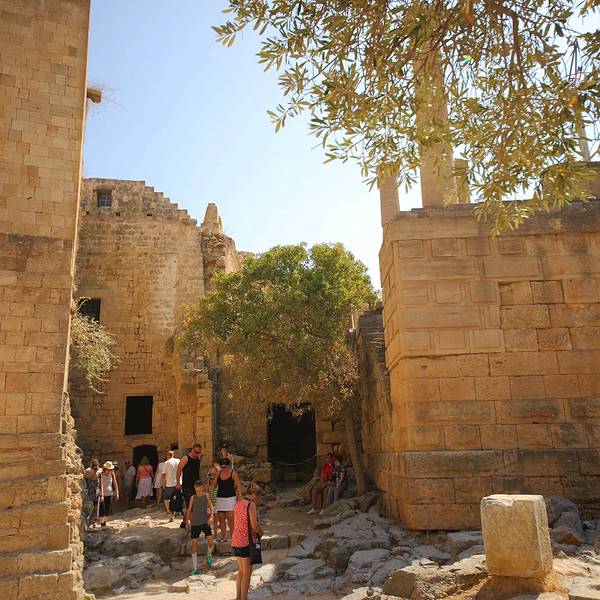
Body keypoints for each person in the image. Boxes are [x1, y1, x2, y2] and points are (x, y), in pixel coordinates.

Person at [231, 483, 263, 600]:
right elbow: (254, 525)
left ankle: (238, 597)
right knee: (247, 572)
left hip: (235, 540)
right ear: (253, 494)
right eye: (257, 496)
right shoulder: (251, 504)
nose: (258, 498)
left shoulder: (238, 502)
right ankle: (244, 598)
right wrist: (261, 532)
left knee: (241, 571)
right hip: (245, 542)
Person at [186, 480, 215, 575]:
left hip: (205, 521)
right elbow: (189, 510)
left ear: (202, 488)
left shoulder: (206, 496)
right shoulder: (192, 497)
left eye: (199, 490)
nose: (198, 492)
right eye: (196, 490)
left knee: (211, 542)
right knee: (194, 544)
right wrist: (187, 521)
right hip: (195, 523)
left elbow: (211, 507)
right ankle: (194, 568)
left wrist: (211, 517)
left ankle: (209, 555)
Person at [215, 457, 241, 543]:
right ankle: (224, 537)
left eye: (224, 467)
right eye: (221, 467)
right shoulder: (218, 472)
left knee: (230, 518)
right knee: (221, 517)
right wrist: (211, 495)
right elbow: (214, 484)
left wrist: (239, 496)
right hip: (220, 498)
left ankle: (234, 537)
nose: (223, 469)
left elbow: (238, 485)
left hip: (230, 498)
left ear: (228, 466)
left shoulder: (233, 473)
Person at [176, 443, 203, 524]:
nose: (197, 454)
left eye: (199, 452)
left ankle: (184, 522)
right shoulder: (185, 458)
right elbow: (179, 470)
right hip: (187, 486)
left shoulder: (197, 459)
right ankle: (193, 525)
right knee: (190, 506)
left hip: (196, 486)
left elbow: (198, 472)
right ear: (192, 449)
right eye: (196, 452)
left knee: (195, 505)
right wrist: (178, 482)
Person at [161, 450, 181, 521]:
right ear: (173, 455)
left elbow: (163, 474)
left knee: (166, 498)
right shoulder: (178, 461)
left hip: (170, 483)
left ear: (168, 456)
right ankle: (176, 512)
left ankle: (170, 512)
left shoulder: (166, 463)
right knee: (177, 498)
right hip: (178, 483)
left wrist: (162, 483)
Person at [99, 461, 119, 527]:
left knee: (107, 508)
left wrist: (117, 493)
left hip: (109, 493)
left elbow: (115, 483)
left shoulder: (112, 475)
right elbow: (100, 484)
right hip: (102, 494)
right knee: (102, 508)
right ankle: (101, 523)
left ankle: (104, 522)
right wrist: (101, 495)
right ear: (106, 469)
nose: (111, 470)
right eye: (110, 469)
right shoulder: (101, 474)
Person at [84, 459, 101, 528]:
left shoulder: (99, 472)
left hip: (96, 493)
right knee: (89, 508)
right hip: (89, 494)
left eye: (97, 469)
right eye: (94, 469)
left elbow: (100, 483)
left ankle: (94, 522)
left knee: (96, 508)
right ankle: (87, 523)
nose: (96, 470)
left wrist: (101, 494)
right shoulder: (87, 472)